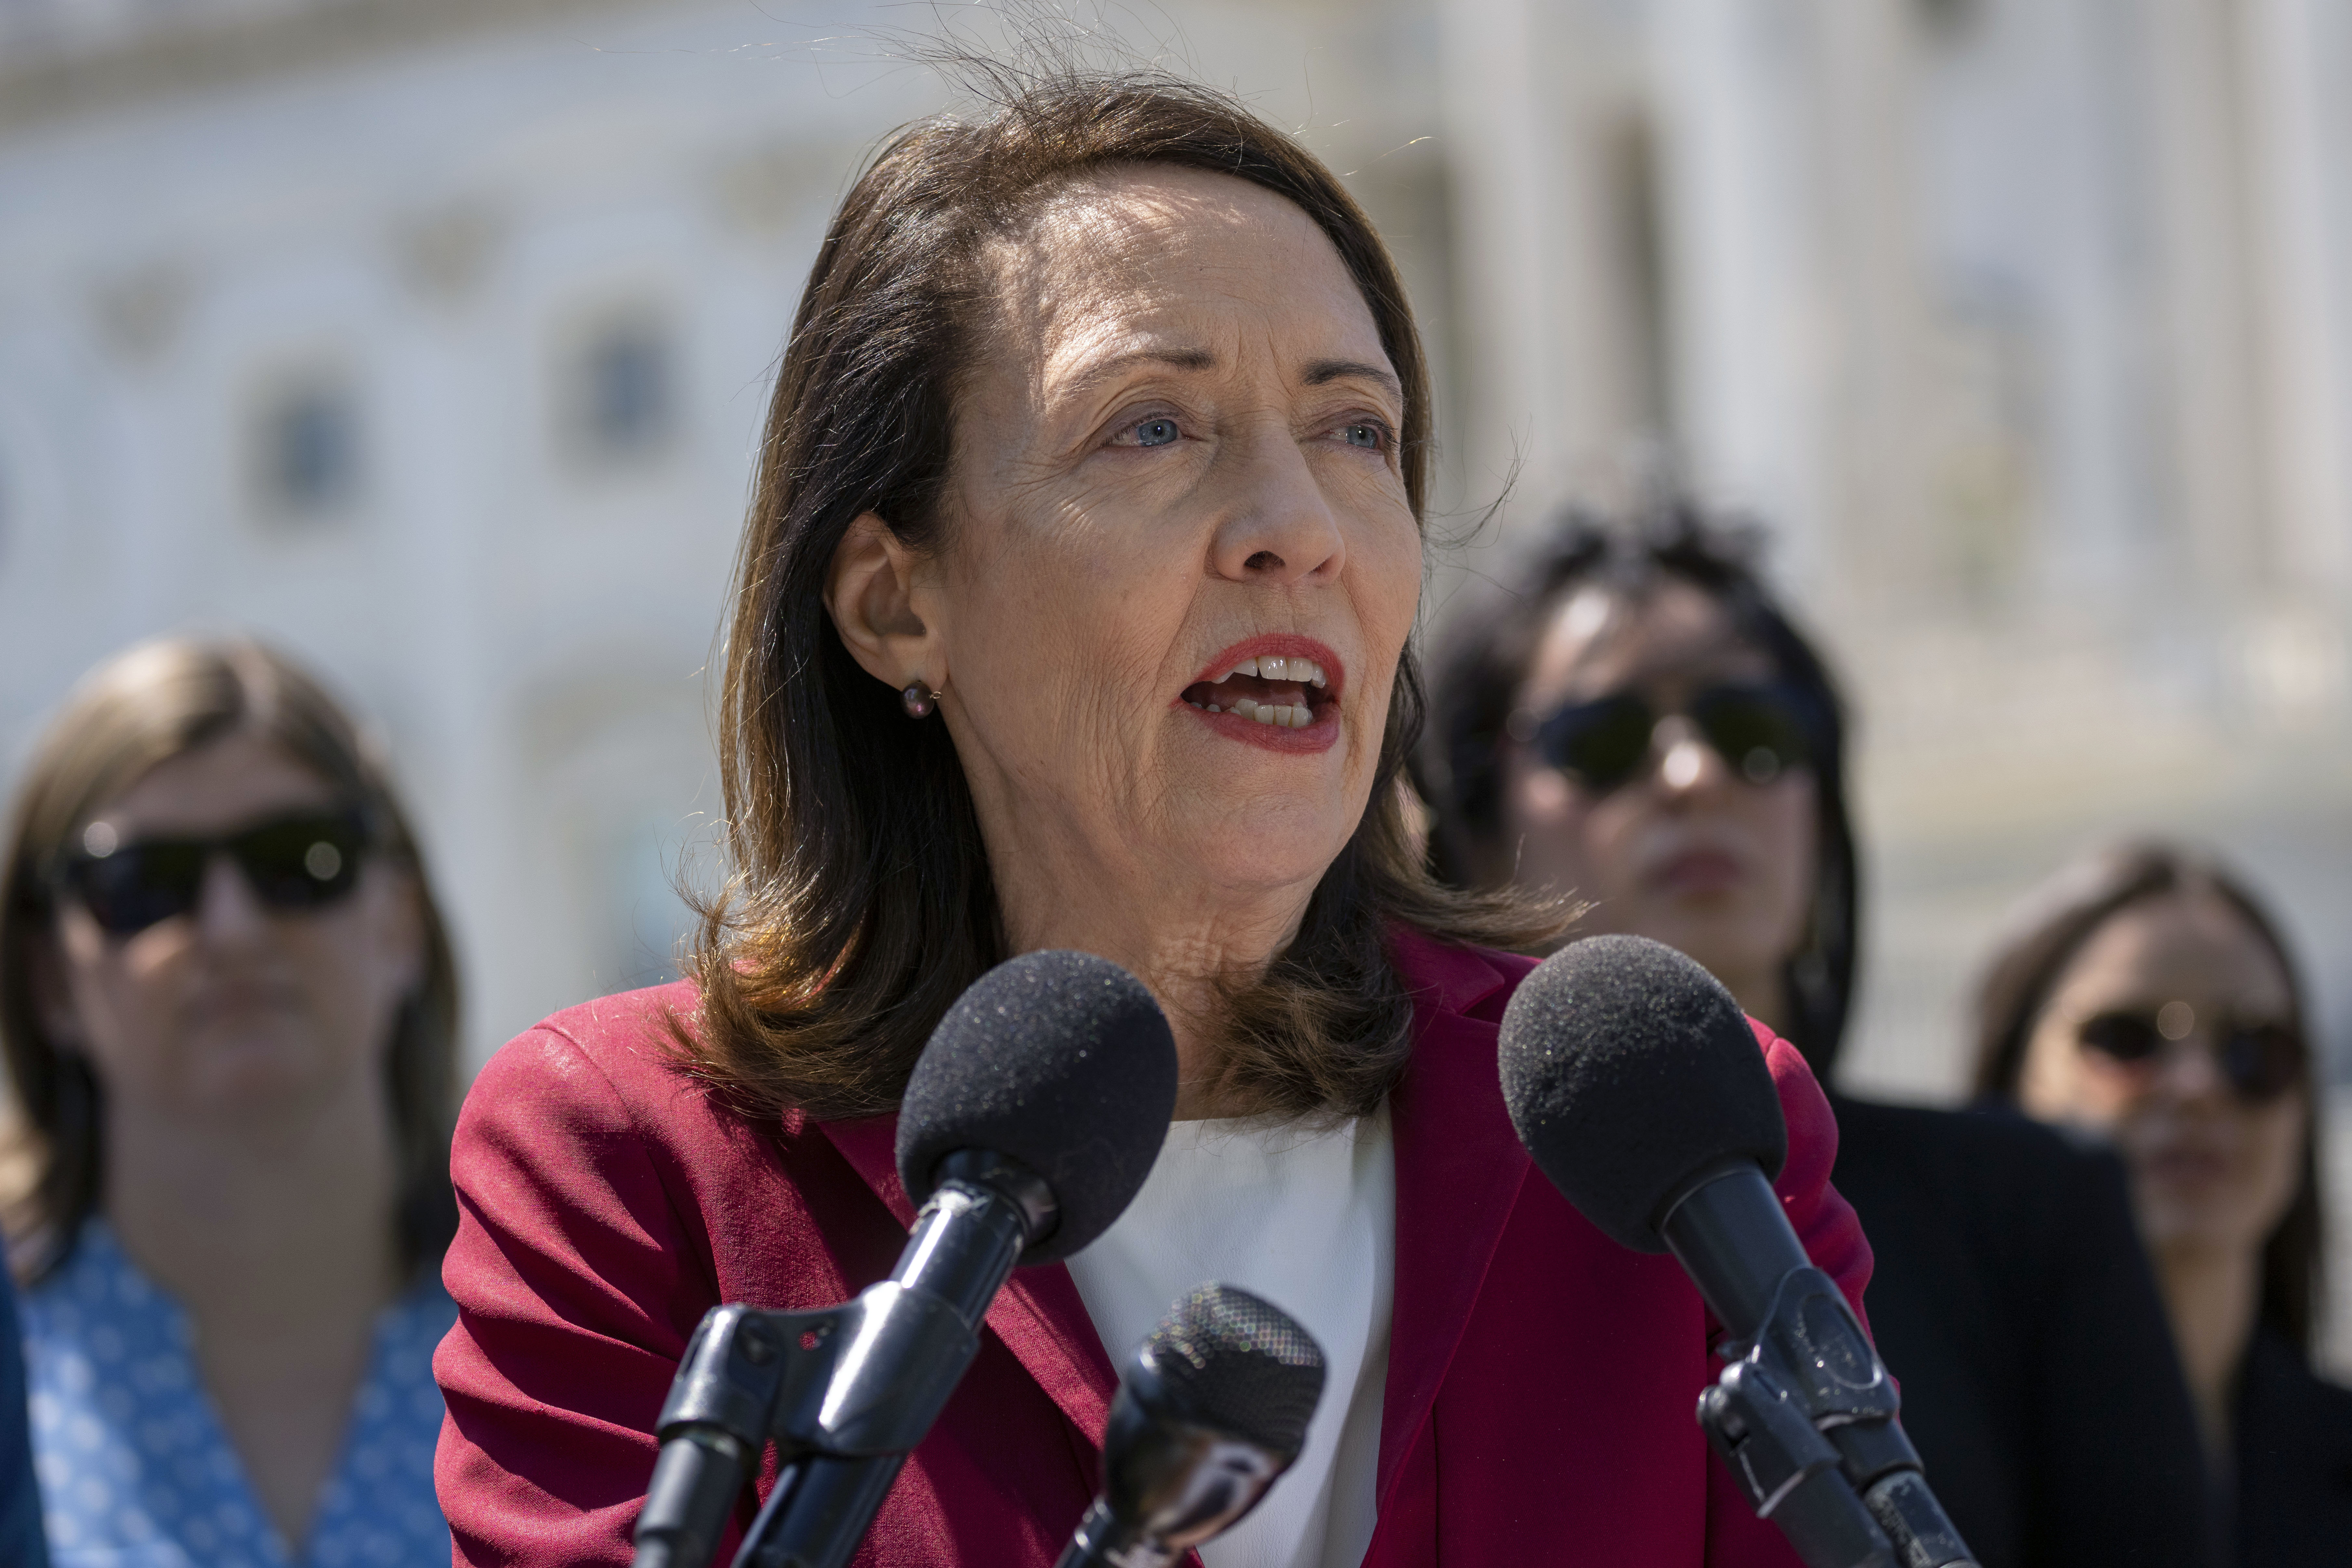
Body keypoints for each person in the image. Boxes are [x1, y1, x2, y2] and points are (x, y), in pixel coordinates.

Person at [429, 69, 1873, 1568]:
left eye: (1355, 431)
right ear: (892, 597)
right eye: (1152, 428)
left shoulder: (1684, 1157)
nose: (1295, 526)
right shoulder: (627, 1162)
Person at [1420, 507, 2216, 1568]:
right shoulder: (1402, 1231)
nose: (1692, 775)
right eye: (1604, 739)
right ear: (1472, 829)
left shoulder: (2034, 1208)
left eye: (1752, 731)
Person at [0, 636, 460, 1567]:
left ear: (401, 921)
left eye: (301, 857)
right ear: (48, 978)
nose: (232, 928)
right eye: (142, 883)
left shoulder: (574, 1316)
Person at [1973, 842, 2352, 1565]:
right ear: (2005, 1083)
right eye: (2126, 1039)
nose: (2199, 1085)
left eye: (2256, 1050)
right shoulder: (1905, 1469)